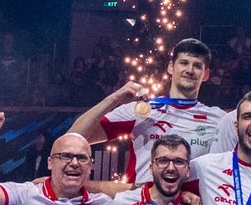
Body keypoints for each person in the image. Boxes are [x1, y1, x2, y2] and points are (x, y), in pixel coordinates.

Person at [70, 39, 230, 181]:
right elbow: (74, 138)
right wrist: (114, 98)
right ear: (171, 67)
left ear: (206, 74)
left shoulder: (218, 119)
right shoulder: (142, 109)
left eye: (197, 66)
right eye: (184, 63)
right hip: (140, 204)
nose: (189, 70)